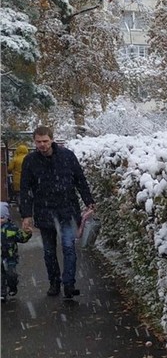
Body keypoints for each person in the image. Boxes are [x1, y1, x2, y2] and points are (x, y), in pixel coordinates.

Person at [19, 126, 96, 299]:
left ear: (52, 139)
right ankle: (54, 282)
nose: (42, 145)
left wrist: (88, 201)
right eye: (38, 142)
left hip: (67, 210)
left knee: (69, 248)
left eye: (45, 141)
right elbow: (25, 189)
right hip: (44, 212)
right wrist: (26, 215)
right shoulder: (30, 161)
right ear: (34, 142)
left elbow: (80, 180)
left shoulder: (67, 156)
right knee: (49, 251)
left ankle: (69, 284)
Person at [1, 201, 33, 301]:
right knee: (1, 275)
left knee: (11, 274)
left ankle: (13, 285)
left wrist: (26, 233)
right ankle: (2, 293)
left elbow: (21, 238)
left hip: (10, 257)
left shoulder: (11, 228)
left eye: (2, 217)